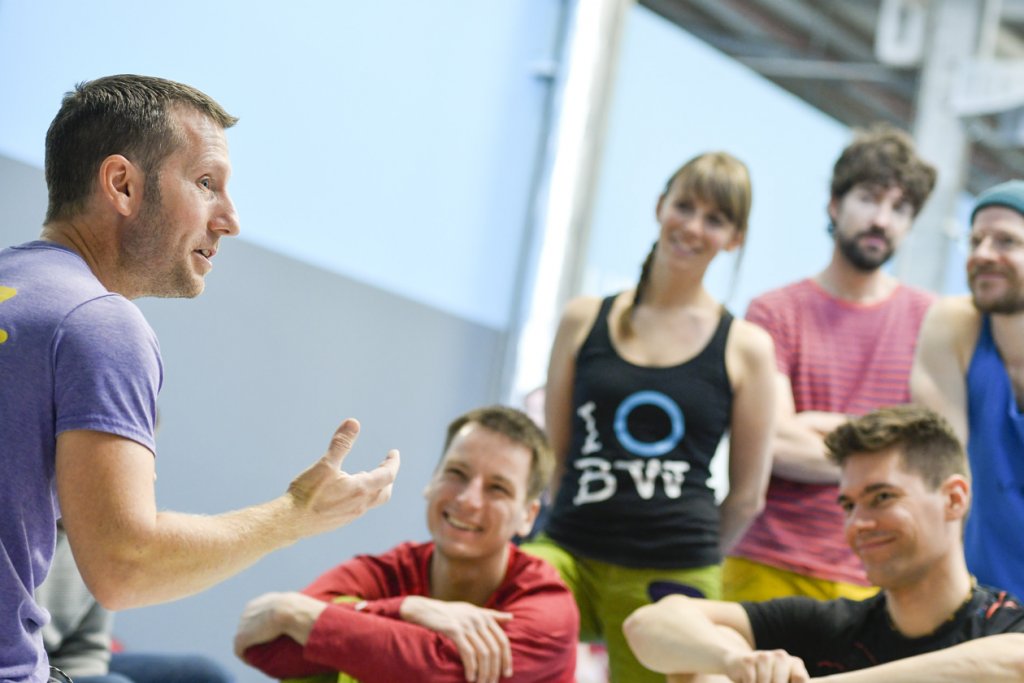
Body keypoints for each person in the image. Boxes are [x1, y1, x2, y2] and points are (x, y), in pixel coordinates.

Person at [0, 75, 400, 683]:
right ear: (122, 184)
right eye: (207, 184)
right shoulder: (99, 324)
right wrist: (295, 513)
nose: (231, 220)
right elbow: (125, 567)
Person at [521, 151, 777, 682]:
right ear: (661, 206)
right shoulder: (584, 318)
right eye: (684, 206)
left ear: (735, 238)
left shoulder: (746, 347)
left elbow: (747, 496)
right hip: (569, 548)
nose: (693, 226)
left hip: (675, 567)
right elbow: (557, 456)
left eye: (715, 218)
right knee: (502, 628)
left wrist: (685, 545)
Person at [623, 405, 1024, 682]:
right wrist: (736, 660)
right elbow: (652, 623)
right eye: (848, 504)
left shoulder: (1004, 626)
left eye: (882, 497)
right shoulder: (834, 626)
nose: (859, 523)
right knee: (702, 661)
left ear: (953, 499)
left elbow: (1015, 664)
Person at [724, 124, 937, 602]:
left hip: (877, 574)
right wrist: (879, 450)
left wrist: (818, 428)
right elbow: (772, 443)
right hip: (767, 559)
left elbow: (925, 462)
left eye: (900, 208)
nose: (882, 219)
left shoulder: (932, 322)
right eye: (868, 198)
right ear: (835, 204)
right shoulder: (774, 312)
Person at [234, 406, 579, 683]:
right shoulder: (388, 572)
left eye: (498, 488)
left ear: (528, 516)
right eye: (457, 473)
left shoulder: (547, 607)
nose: (468, 499)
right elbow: (265, 646)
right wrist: (406, 608)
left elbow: (440, 672)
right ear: (432, 481)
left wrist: (294, 614)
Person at [911, 179, 1024, 599]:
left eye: (1006, 241)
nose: (982, 255)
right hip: (979, 601)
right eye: (975, 240)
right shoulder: (955, 325)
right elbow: (939, 468)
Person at [37, 525, 234, 683]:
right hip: (15, 665)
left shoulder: (95, 539)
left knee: (207, 675)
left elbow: (86, 647)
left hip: (55, 663)